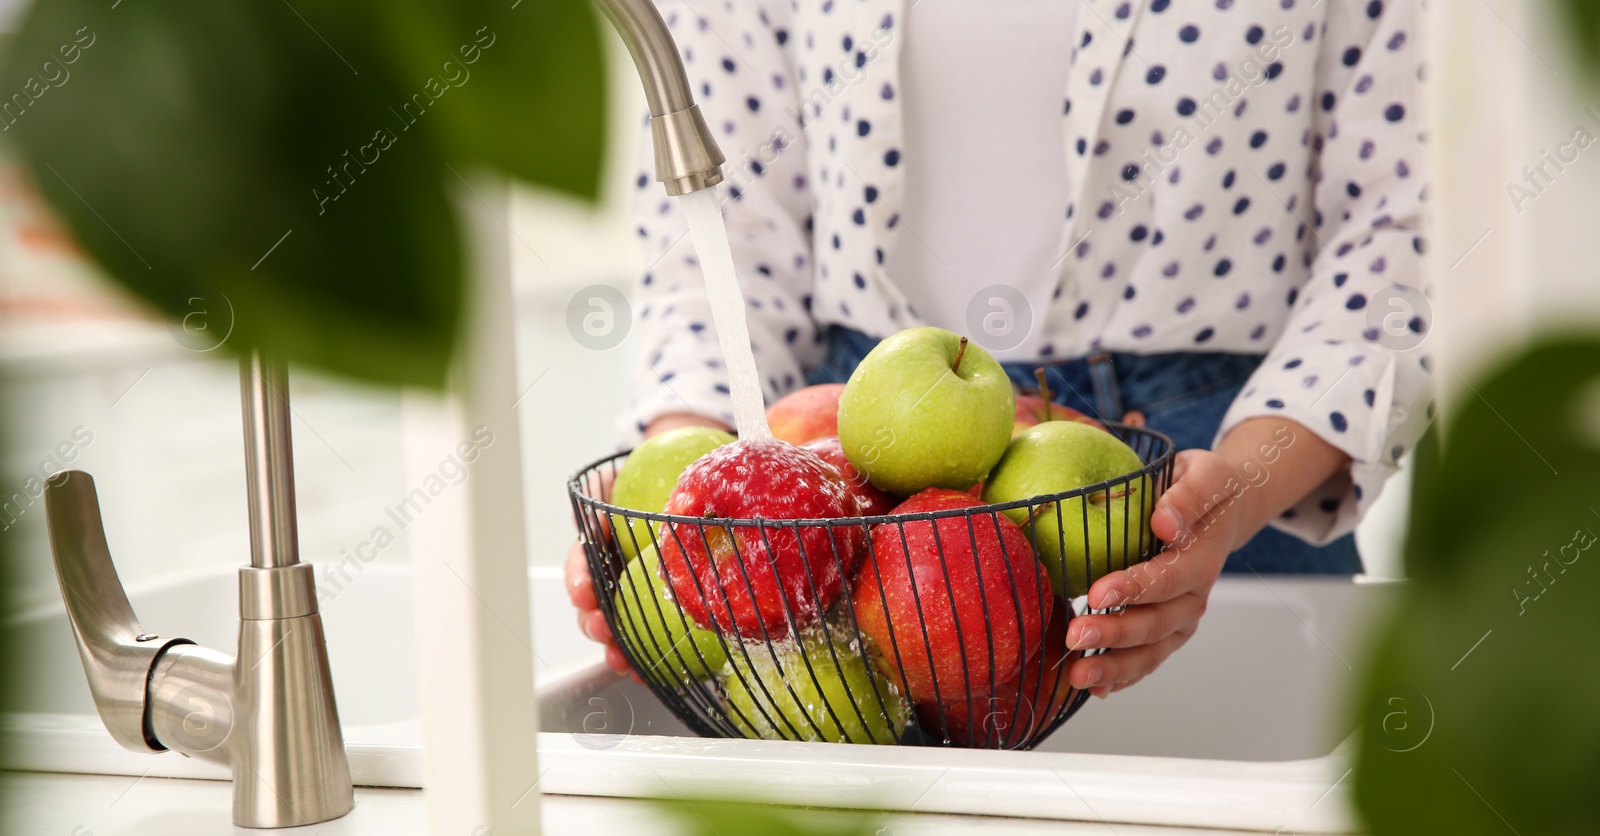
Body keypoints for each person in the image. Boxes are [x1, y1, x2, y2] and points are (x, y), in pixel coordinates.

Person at [567, 0, 1432, 698]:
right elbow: (726, 231)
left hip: (1218, 471)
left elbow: (1407, 223)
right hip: (845, 503)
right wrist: (686, 504)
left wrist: (1234, 493)